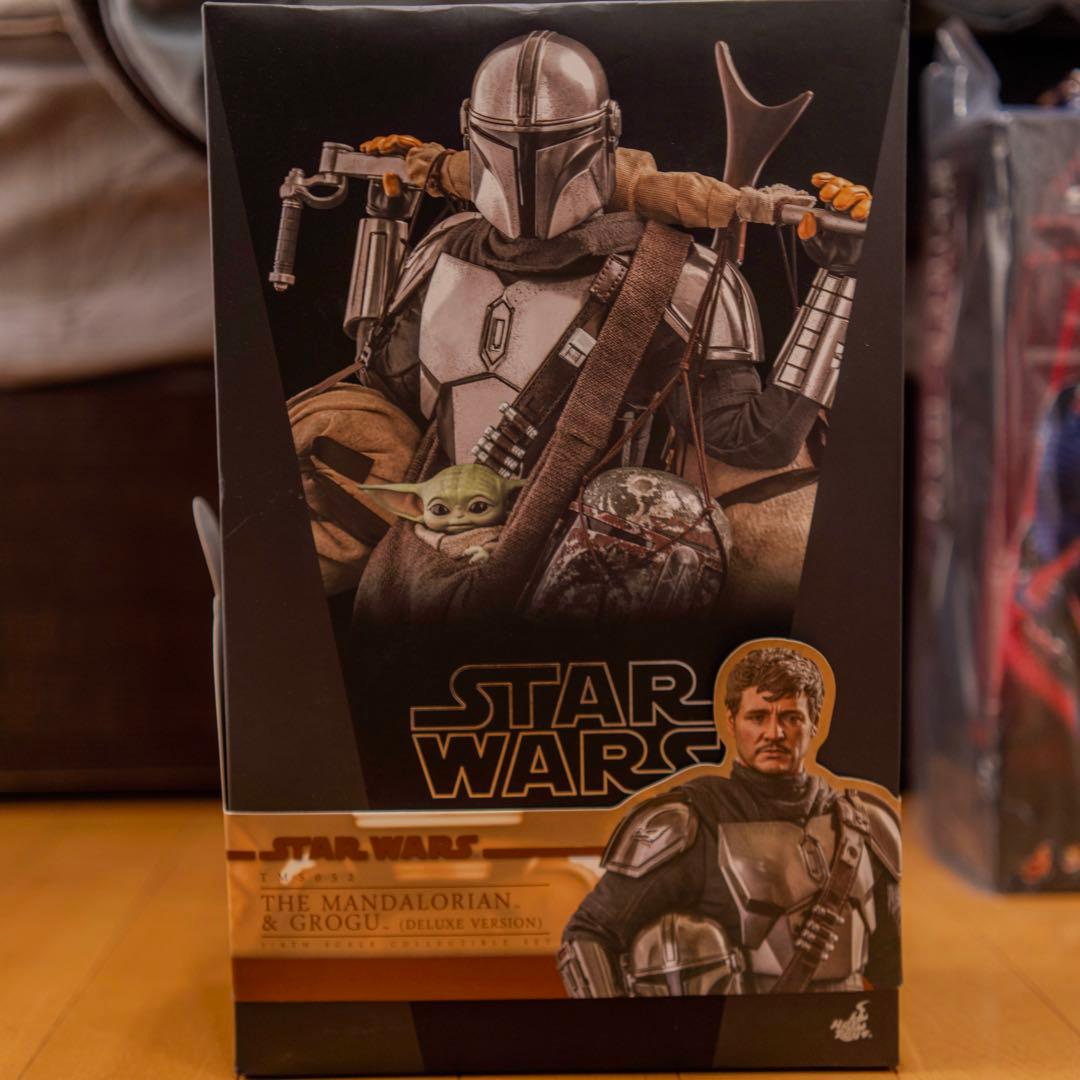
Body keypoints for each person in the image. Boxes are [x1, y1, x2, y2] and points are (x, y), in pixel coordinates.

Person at [558, 645, 901, 996]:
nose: (774, 733)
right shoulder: (694, 822)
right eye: (757, 717)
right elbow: (587, 935)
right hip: (740, 1030)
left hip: (849, 1026)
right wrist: (616, 1028)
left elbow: (895, 960)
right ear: (731, 721)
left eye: (790, 718)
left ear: (814, 722)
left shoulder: (865, 825)